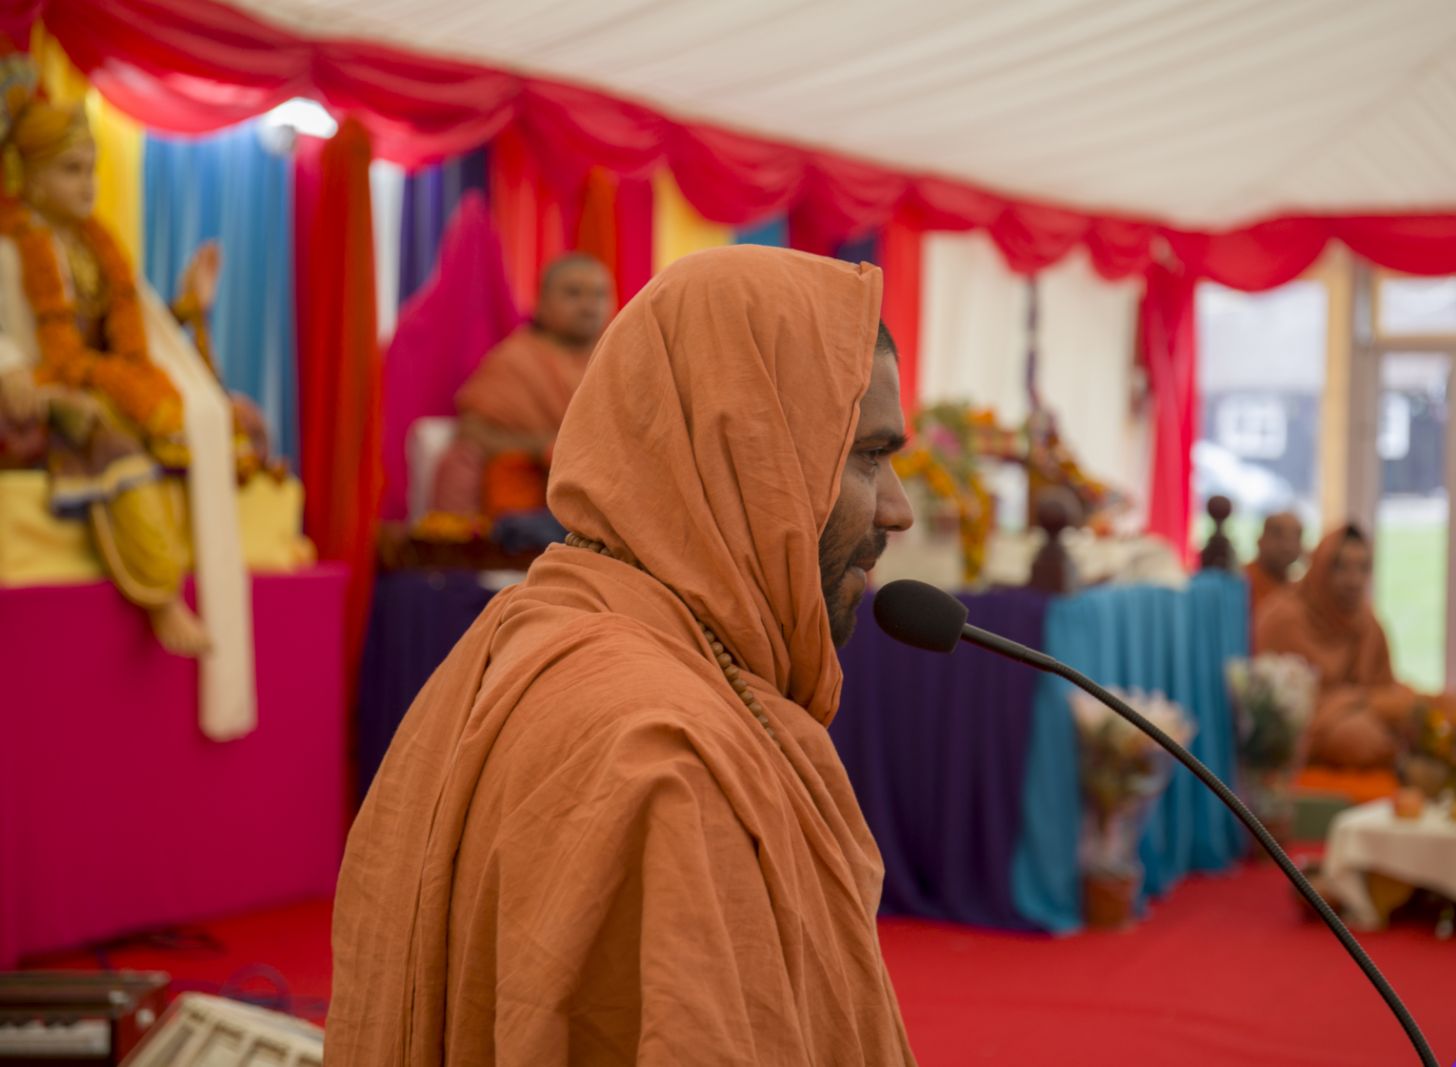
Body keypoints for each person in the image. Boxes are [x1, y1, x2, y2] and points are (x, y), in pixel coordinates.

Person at [327, 247, 917, 1064]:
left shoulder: (525, 630)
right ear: (746, 450)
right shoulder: (668, 757)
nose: (900, 508)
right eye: (868, 455)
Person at [0, 57, 259, 685]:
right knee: (113, 438)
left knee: (226, 421)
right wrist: (17, 373)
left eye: (91, 169)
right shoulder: (10, 249)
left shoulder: (98, 248)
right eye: (70, 170)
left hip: (98, 381)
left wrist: (188, 305)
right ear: (27, 179)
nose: (88, 184)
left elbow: (141, 343)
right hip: (42, 400)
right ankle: (161, 594)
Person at [430, 253, 614, 519]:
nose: (589, 306)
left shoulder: (620, 359)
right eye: (573, 294)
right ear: (541, 304)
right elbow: (473, 433)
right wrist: (546, 449)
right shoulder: (515, 361)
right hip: (535, 495)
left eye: (599, 295)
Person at [1255, 524, 1416, 770]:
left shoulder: (1367, 621)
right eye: (1341, 567)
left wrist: (1368, 702)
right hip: (1319, 726)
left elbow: (1384, 688)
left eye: (1363, 568)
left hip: (1362, 709)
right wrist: (1359, 702)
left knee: (1420, 713)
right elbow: (1280, 711)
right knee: (1358, 738)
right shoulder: (1284, 618)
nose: (1354, 581)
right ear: (1319, 568)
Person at [1245, 510, 1304, 617]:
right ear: (1259, 540)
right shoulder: (1241, 582)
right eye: (1278, 535)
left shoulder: (1296, 591)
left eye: (1296, 537)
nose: (1288, 546)